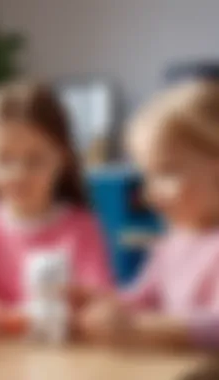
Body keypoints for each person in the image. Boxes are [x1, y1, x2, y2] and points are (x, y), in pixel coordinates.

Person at [0, 81, 112, 334]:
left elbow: (100, 299)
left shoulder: (82, 228)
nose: (19, 174)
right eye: (5, 159)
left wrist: (83, 303)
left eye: (35, 159)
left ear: (62, 158)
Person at [77, 80, 219, 350]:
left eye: (166, 172)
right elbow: (143, 299)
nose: (149, 194)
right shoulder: (173, 242)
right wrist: (97, 301)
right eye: (147, 175)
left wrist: (139, 328)